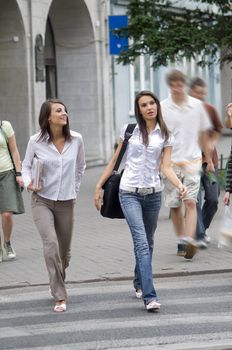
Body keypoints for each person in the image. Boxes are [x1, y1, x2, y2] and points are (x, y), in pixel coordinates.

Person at [94, 91, 187, 312]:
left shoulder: (165, 134)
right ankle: (150, 296)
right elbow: (115, 161)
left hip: (154, 194)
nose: (149, 107)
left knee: (149, 241)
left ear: (157, 106)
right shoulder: (130, 131)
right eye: (144, 105)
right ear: (139, 109)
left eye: (152, 103)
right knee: (142, 243)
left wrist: (179, 185)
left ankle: (138, 281)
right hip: (128, 193)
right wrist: (98, 186)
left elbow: (165, 167)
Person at [22, 99, 86, 313]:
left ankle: (57, 280)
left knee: (64, 253)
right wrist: (29, 182)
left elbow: (80, 166)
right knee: (51, 245)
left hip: (67, 202)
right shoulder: (36, 141)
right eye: (59, 110)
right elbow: (26, 165)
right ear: (48, 117)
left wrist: (75, 189)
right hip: (42, 200)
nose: (64, 113)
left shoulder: (76, 140)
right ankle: (59, 295)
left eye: (65, 110)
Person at [161, 69, 213, 259]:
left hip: (192, 161)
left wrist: (208, 158)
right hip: (171, 163)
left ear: (184, 85)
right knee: (175, 205)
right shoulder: (163, 107)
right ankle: (181, 239)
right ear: (169, 86)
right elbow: (159, 136)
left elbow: (203, 134)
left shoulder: (197, 106)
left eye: (179, 84)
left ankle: (190, 240)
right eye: (173, 84)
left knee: (191, 201)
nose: (176, 88)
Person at [189, 77, 222, 248]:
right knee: (194, 199)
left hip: (210, 163)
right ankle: (199, 235)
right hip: (191, 163)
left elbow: (218, 130)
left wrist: (212, 143)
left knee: (213, 199)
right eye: (197, 93)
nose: (200, 96)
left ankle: (202, 228)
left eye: (203, 93)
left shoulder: (209, 109)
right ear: (190, 92)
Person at [0, 120, 24, 262]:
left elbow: (14, 150)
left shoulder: (5, 126)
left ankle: (7, 243)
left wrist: (19, 173)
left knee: (7, 213)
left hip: (7, 173)